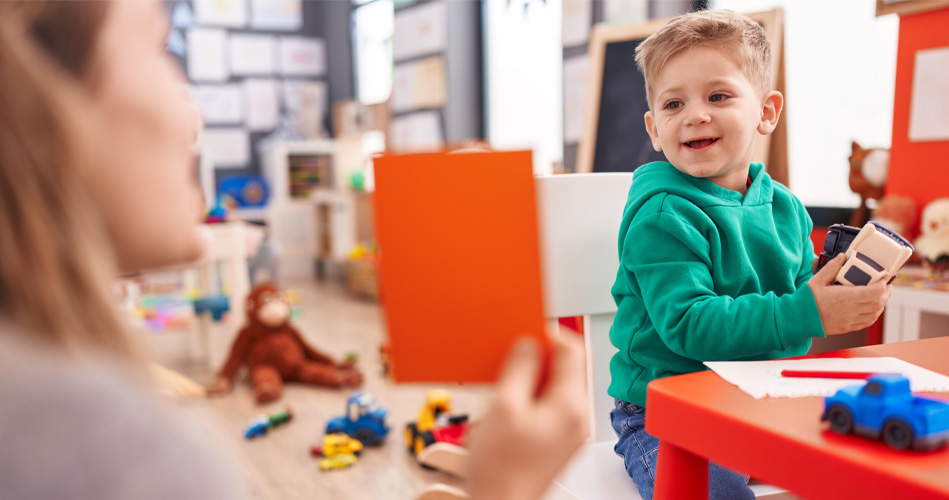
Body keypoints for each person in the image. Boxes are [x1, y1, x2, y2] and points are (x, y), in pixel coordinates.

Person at [0, 2, 587, 499]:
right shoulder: (97, 444)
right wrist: (503, 488)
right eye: (160, 48)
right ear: (46, 104)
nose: (192, 115)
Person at [607, 9, 892, 500]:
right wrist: (810, 310)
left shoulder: (785, 207)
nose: (696, 114)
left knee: (867, 462)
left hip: (758, 395)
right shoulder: (661, 216)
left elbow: (795, 300)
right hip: (667, 411)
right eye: (674, 104)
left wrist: (831, 292)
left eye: (718, 96)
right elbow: (689, 326)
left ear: (766, 111)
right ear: (655, 129)